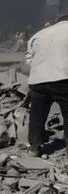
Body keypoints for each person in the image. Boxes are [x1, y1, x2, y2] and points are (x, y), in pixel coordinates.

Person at [25, 13, 68, 156]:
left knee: (37, 115)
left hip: (38, 81)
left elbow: (29, 61)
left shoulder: (38, 35)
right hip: (63, 78)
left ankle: (34, 147)